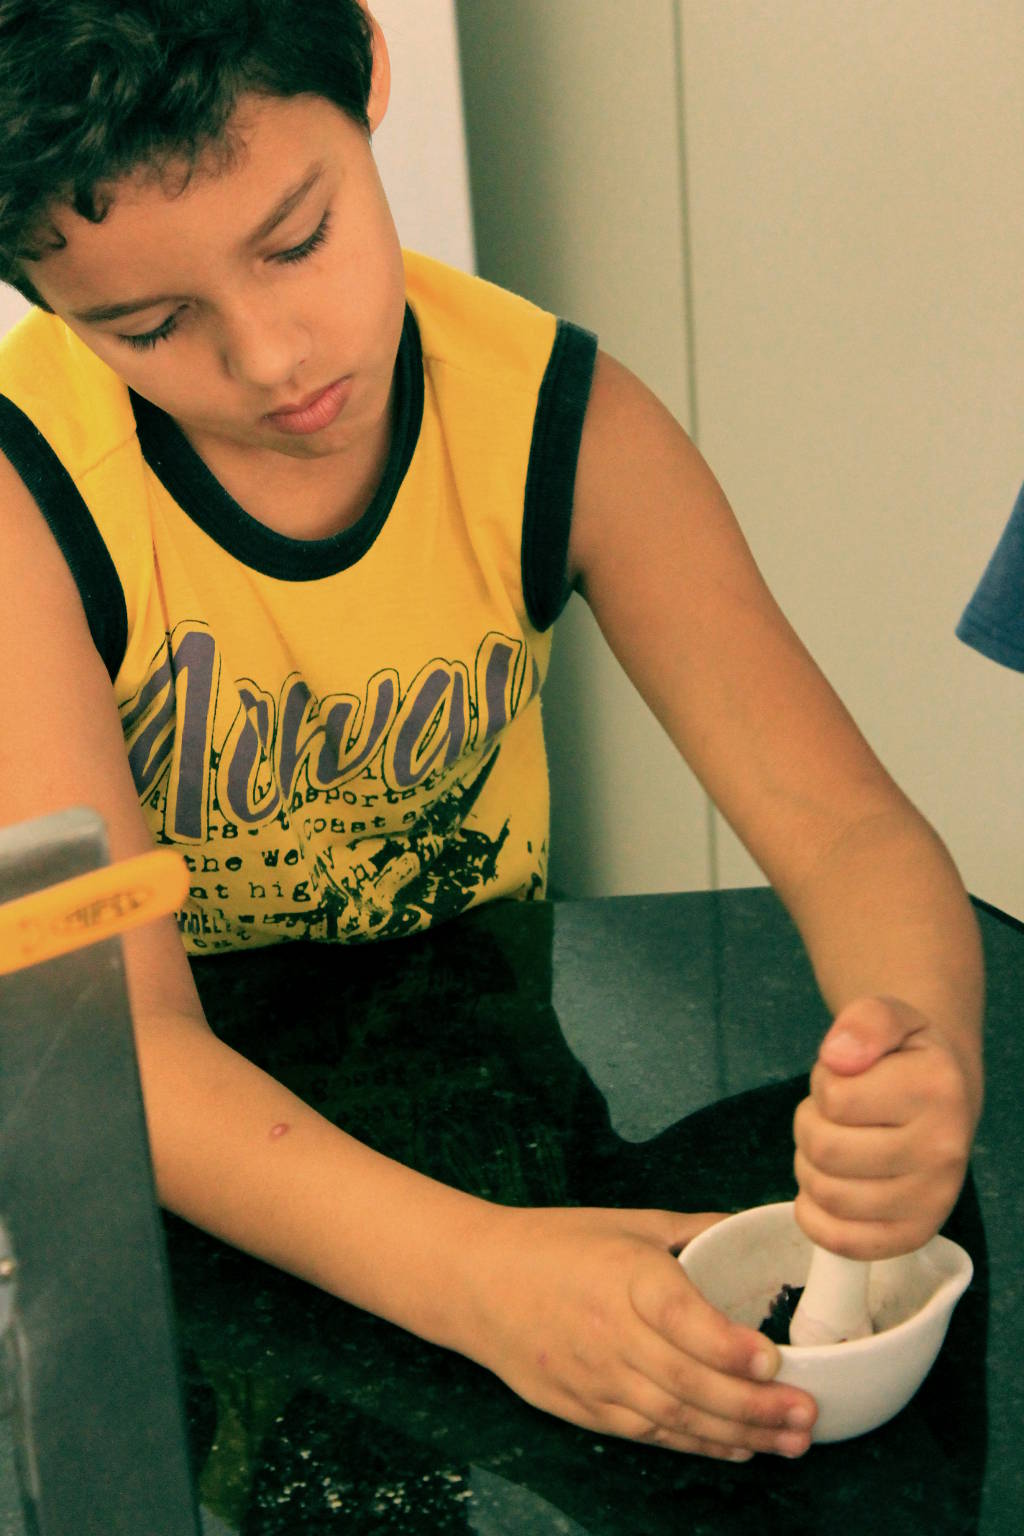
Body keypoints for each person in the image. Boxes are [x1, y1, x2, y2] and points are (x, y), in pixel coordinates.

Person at [0, 0, 983, 1465]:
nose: (271, 358)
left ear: (369, 77)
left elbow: (843, 827)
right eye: (150, 326)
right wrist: (470, 1279)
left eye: (297, 241)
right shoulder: (28, 495)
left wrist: (922, 1060)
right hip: (193, 1176)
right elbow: (122, 1037)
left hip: (493, 1087)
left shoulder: (559, 426)